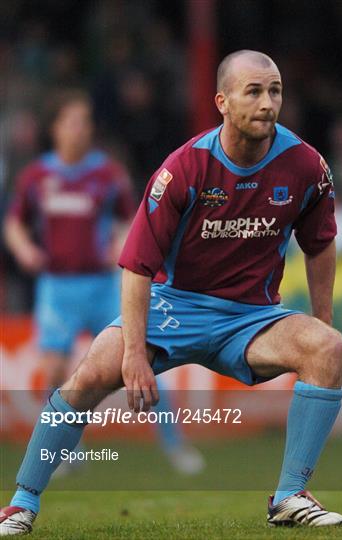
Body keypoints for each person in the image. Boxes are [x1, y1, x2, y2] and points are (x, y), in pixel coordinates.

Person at [0, 50, 342, 535]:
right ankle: (21, 503)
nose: (268, 103)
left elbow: (321, 244)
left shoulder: (306, 165)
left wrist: (322, 321)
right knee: (92, 371)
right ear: (222, 102)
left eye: (275, 91)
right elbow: (137, 264)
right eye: (254, 91)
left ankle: (290, 495)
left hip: (251, 318)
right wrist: (135, 354)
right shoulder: (183, 168)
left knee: (328, 348)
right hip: (174, 305)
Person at [2, 89, 204, 476]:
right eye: (73, 121)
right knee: (56, 369)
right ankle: (64, 452)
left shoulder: (108, 173)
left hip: (104, 285)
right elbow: (14, 222)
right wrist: (24, 247)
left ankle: (174, 443)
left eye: (86, 122)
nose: (81, 129)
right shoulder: (37, 176)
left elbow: (135, 219)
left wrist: (119, 243)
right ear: (56, 128)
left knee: (141, 358)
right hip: (57, 287)